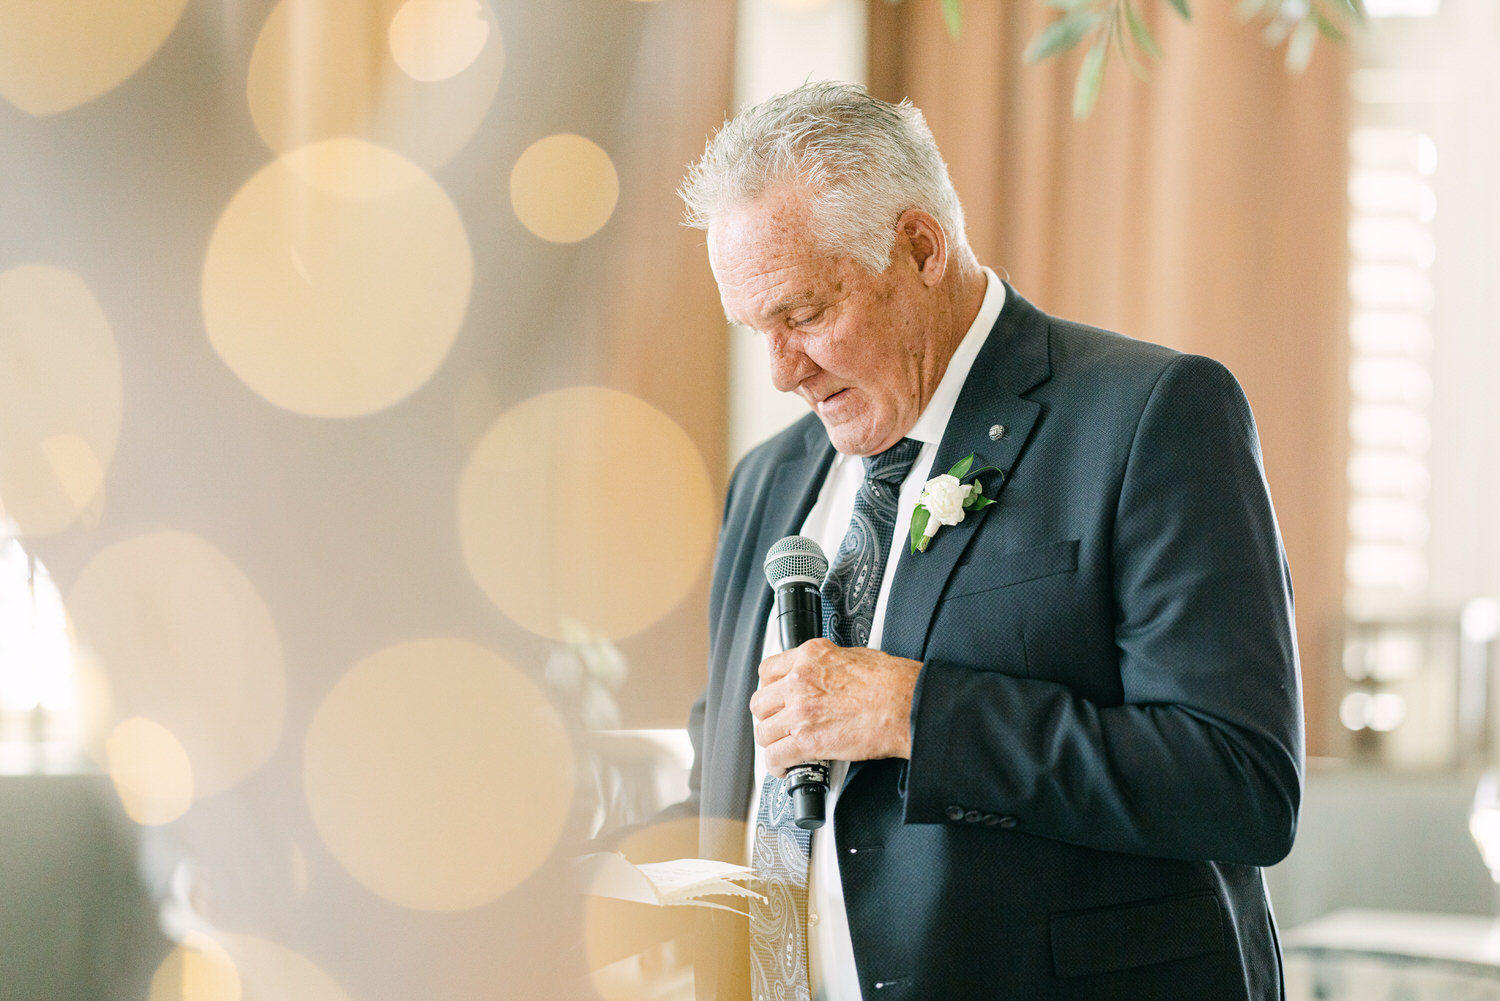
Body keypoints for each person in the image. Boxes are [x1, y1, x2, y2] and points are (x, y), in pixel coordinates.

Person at [673, 81, 1302, 1001]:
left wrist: (919, 714)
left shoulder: (1152, 418)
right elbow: (730, 774)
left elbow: (1240, 784)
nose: (782, 371)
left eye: (805, 315)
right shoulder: (768, 479)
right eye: (757, 330)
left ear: (919, 247)